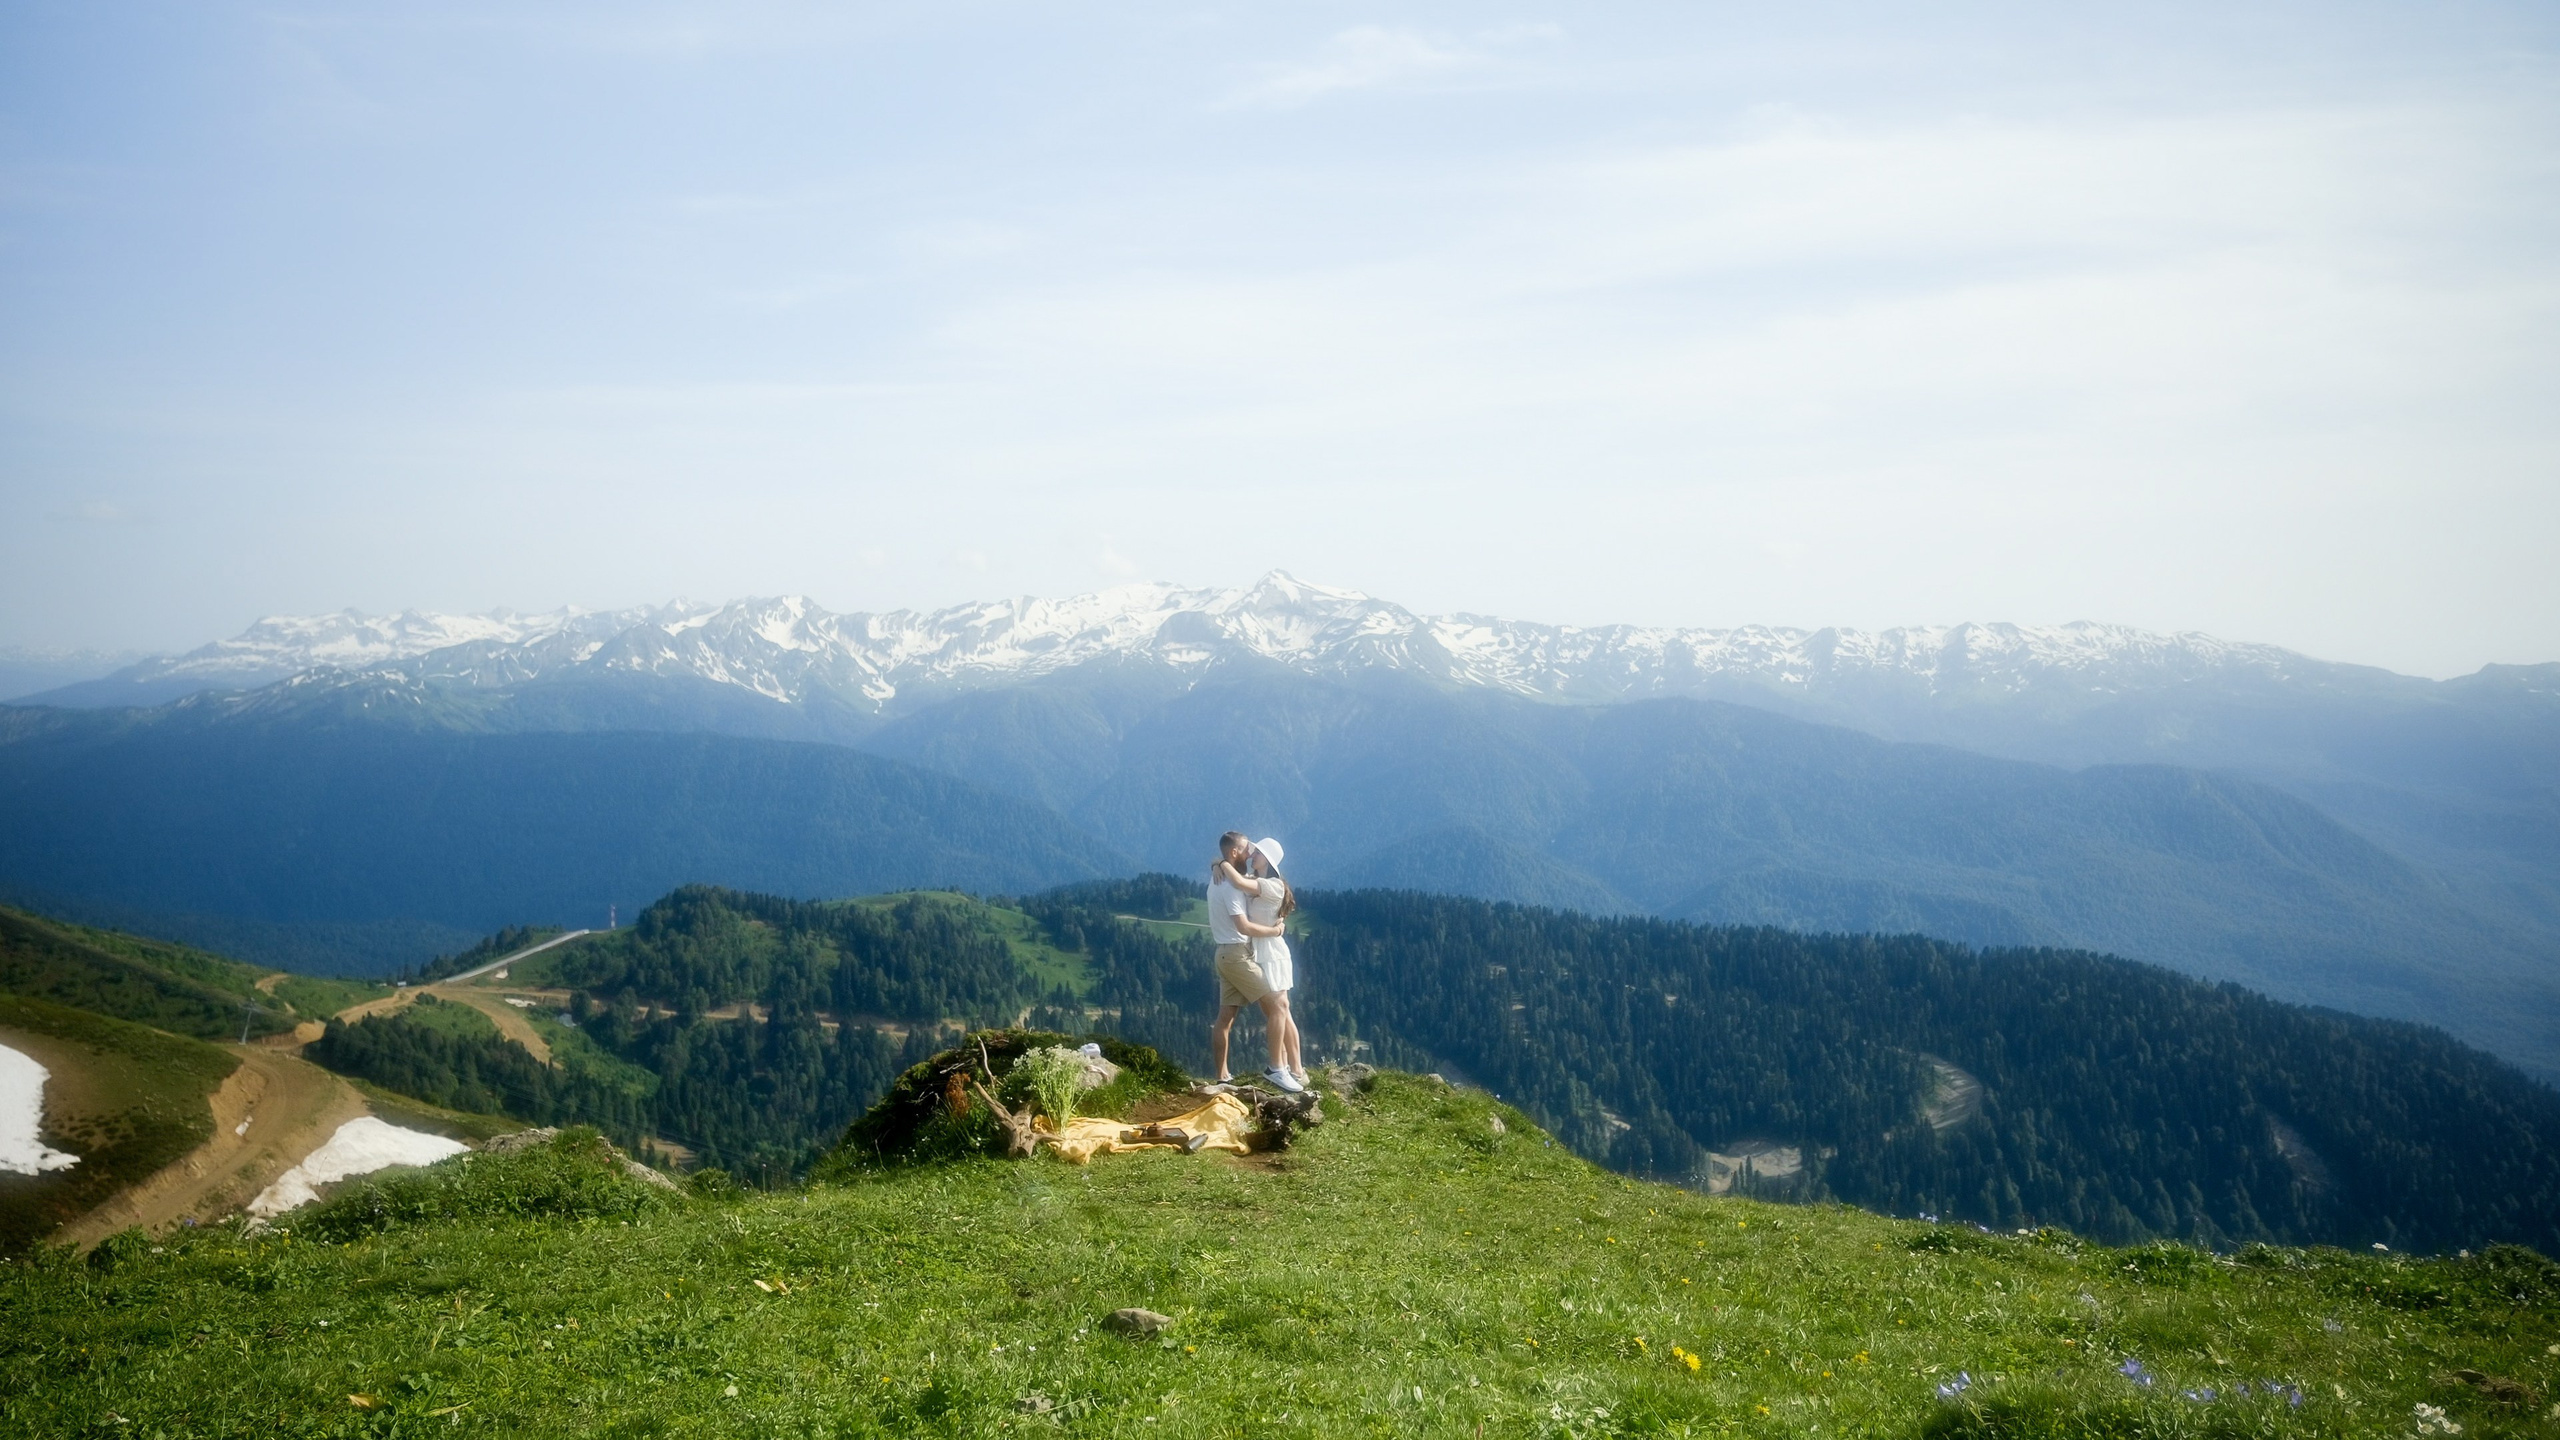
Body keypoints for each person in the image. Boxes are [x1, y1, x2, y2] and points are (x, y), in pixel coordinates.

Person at [1206, 830, 1304, 1093]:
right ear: (1235, 852)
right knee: (1278, 1006)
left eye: (1256, 851)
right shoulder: (1230, 884)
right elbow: (1244, 925)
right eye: (1247, 849)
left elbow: (1242, 881)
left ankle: (1223, 1076)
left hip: (1230, 954)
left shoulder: (1225, 881)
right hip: (1239, 954)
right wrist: (1221, 862)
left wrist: (1219, 862)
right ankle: (1278, 1069)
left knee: (1226, 1017)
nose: (1251, 853)